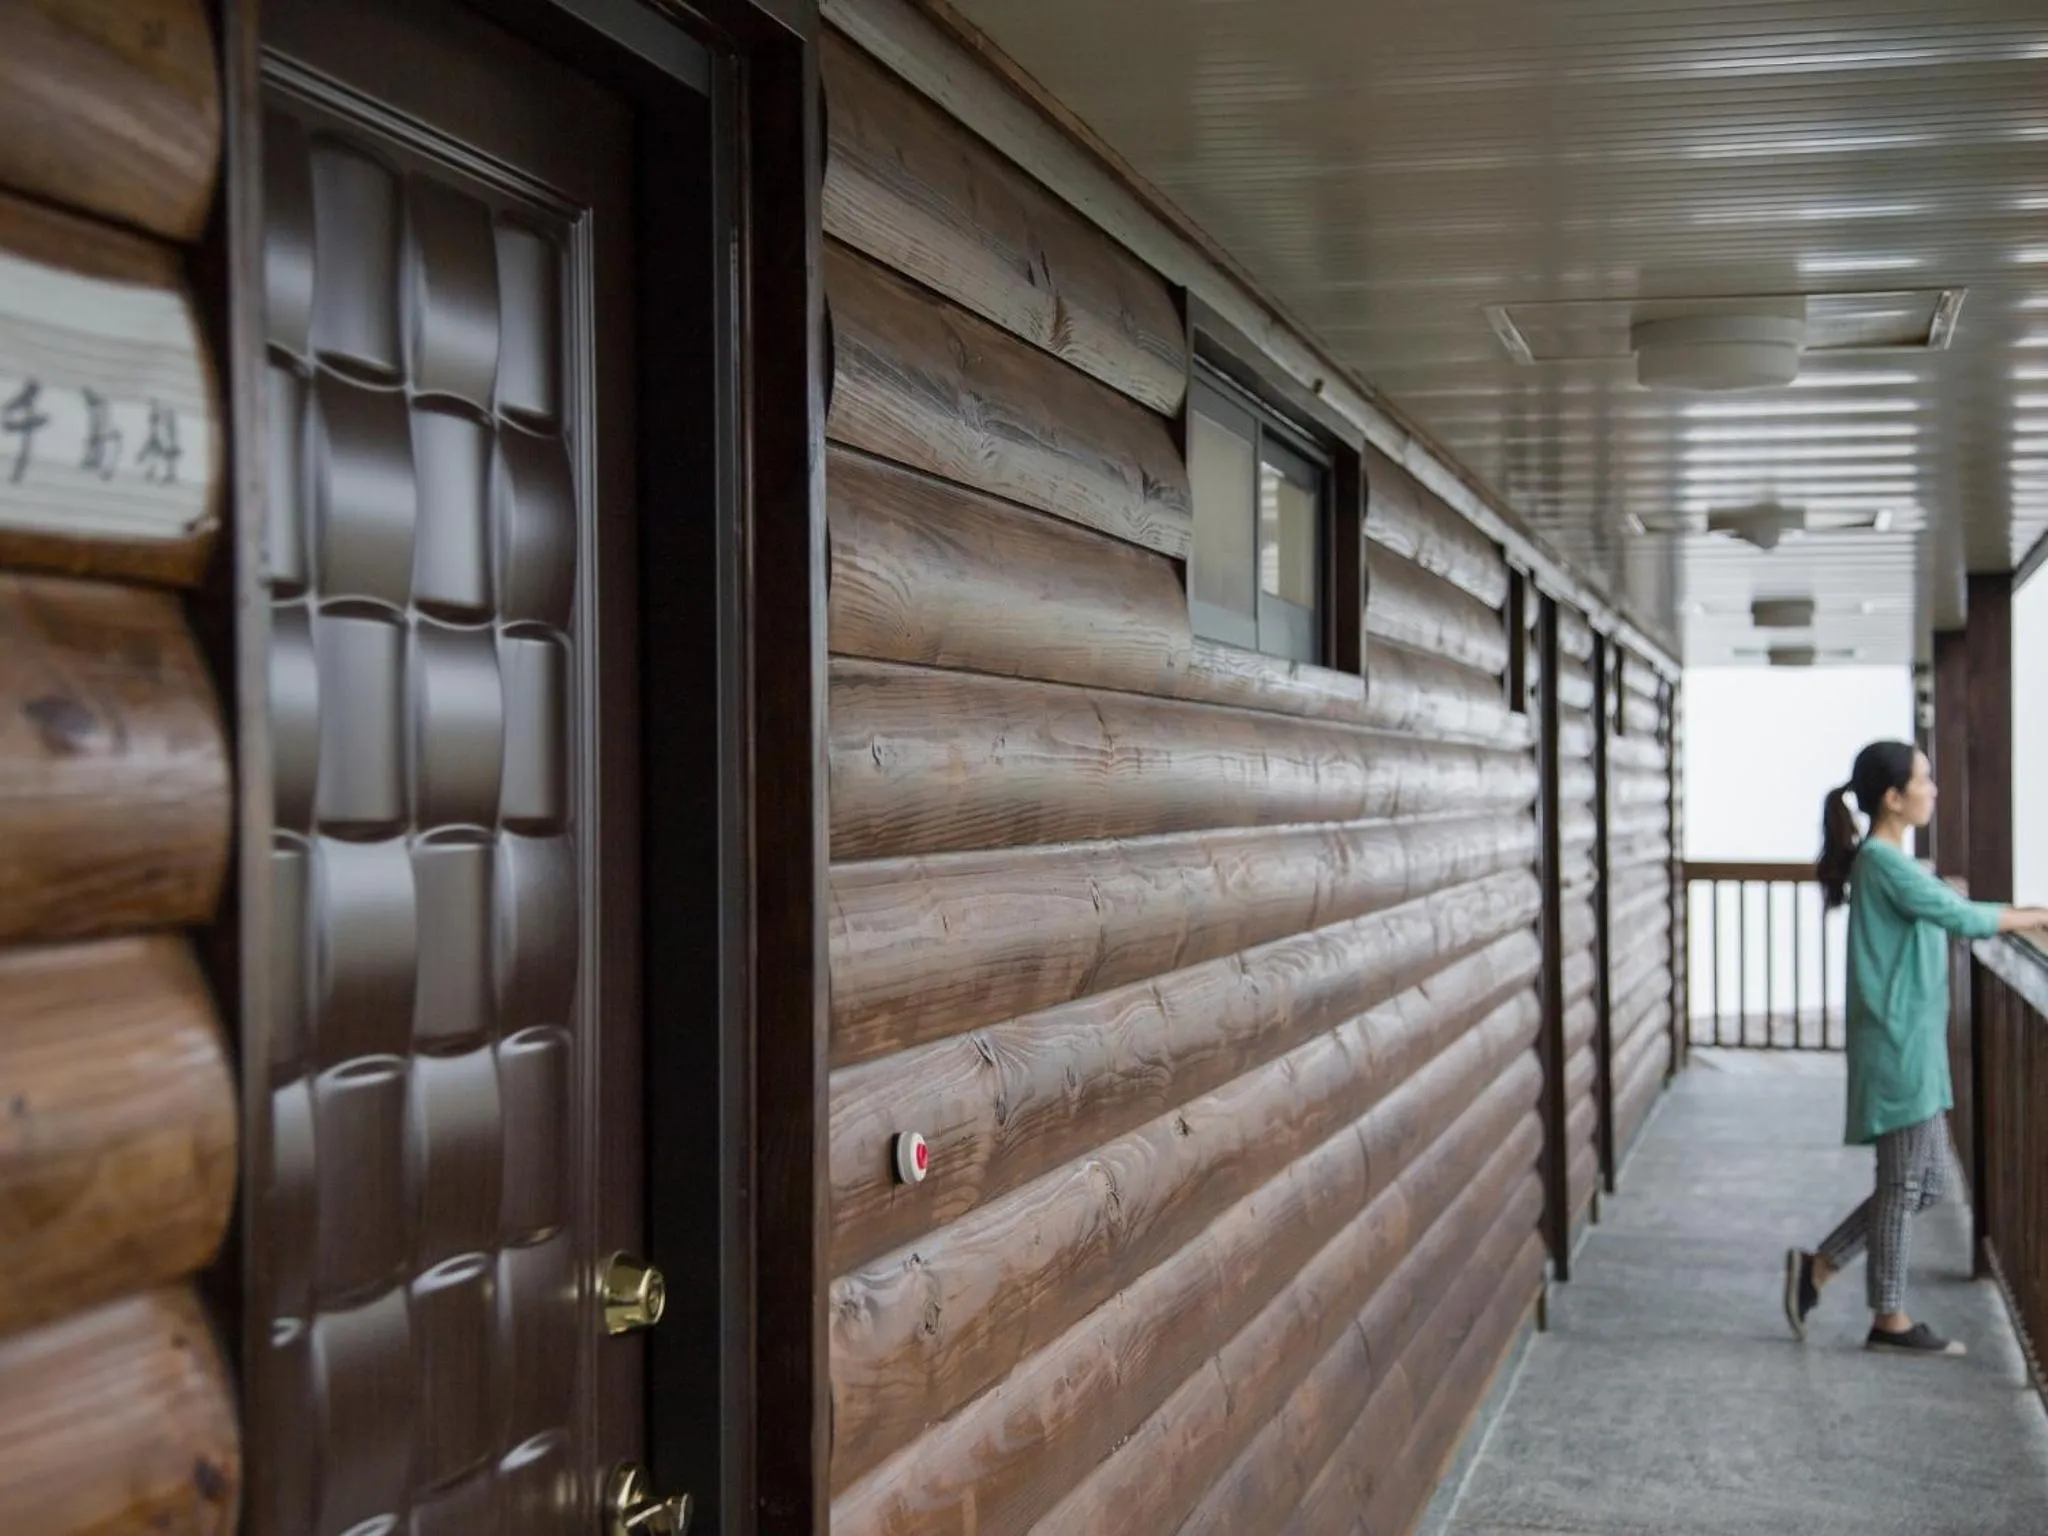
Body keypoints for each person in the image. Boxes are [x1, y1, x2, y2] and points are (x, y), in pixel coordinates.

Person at [1782, 741, 2048, 1354]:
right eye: (1925, 780)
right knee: (1905, 1185)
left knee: (1921, 1185)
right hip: (1898, 1046)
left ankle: (1818, 1267)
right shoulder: (1885, 862)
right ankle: (1888, 1317)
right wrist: (2034, 916)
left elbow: (1947, 905)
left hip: (1911, 1045)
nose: (1934, 789)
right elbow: (1962, 917)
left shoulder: (1890, 863)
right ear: (1894, 798)